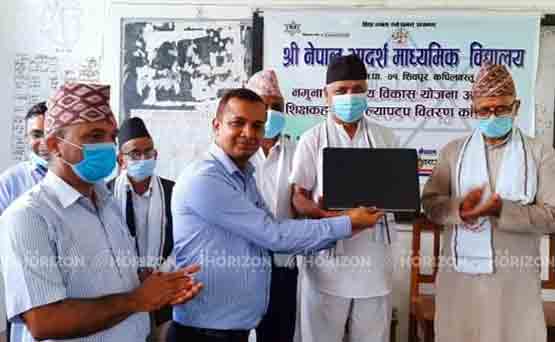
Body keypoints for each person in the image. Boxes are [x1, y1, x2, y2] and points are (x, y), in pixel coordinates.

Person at [169, 88, 384, 342]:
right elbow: (274, 235)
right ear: (216, 126)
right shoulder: (206, 178)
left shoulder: (244, 175)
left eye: (258, 126)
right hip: (204, 332)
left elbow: (275, 228)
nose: (249, 133)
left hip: (232, 328)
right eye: (238, 123)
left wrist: (342, 221)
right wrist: (347, 223)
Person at [0, 83, 202, 342]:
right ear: (54, 145)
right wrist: (136, 300)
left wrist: (157, 286)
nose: (108, 145)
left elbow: (112, 281)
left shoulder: (107, 203)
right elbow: (44, 321)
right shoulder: (28, 216)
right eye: (94, 136)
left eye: (111, 136)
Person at [422, 63, 555, 342]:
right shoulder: (453, 152)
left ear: (516, 106)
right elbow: (432, 204)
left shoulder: (540, 153)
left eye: (501, 108)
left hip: (514, 280)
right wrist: (460, 209)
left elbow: (551, 216)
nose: (492, 115)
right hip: (460, 279)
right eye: (485, 109)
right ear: (474, 110)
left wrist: (502, 210)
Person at [289, 54, 398, 342]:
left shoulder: (386, 137)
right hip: (328, 261)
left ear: (366, 91)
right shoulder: (312, 139)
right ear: (327, 95)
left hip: (374, 262)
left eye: (357, 89)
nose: (350, 96)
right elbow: (298, 198)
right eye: (341, 91)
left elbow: (398, 192)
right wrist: (329, 218)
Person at [109, 117, 175, 339]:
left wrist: (160, 272)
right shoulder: (104, 195)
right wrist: (133, 272)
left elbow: (185, 242)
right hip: (121, 291)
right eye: (135, 154)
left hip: (165, 288)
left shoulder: (173, 192)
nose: (143, 158)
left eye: (149, 152)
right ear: (121, 160)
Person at [246, 70, 297, 342]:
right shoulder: (237, 157)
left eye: (275, 107)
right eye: (263, 106)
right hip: (244, 267)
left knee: (283, 335)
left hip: (286, 268)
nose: (269, 112)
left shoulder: (298, 152)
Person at [0, 102, 49, 214]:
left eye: (51, 133)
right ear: (26, 138)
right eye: (36, 135)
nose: (45, 142)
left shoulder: (84, 177)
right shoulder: (9, 182)